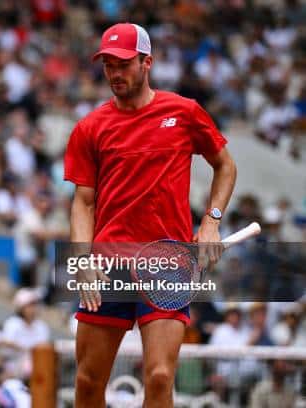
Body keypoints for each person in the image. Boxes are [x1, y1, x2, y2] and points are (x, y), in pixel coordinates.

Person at [64, 23, 237, 407]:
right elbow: (83, 202)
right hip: (108, 264)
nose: (114, 73)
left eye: (123, 64)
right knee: (89, 382)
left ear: (147, 63)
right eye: (108, 65)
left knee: (159, 377)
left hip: (168, 263)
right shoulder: (89, 128)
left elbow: (225, 166)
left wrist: (211, 221)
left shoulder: (184, 112)